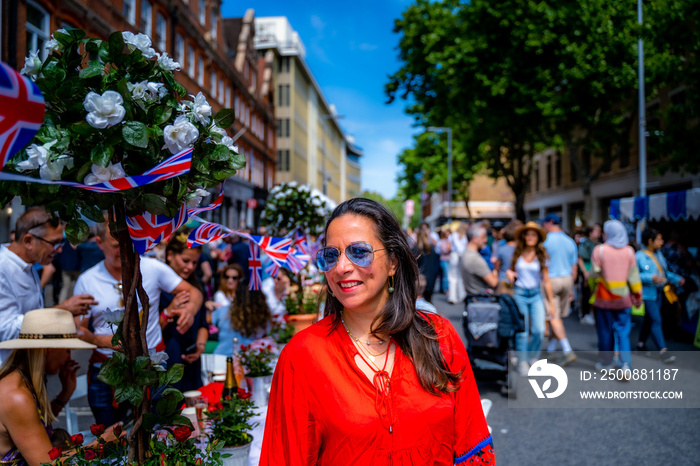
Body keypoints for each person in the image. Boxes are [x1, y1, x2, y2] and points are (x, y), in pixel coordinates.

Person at [261, 198, 493, 465]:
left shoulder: (438, 335)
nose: (342, 267)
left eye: (359, 252)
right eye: (331, 255)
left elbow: (472, 443)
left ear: (393, 261)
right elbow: (285, 456)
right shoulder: (303, 354)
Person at [73, 221, 202, 425]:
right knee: (109, 440)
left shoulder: (152, 269)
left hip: (152, 365)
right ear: (99, 242)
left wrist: (189, 310)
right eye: (116, 245)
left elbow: (193, 292)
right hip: (107, 370)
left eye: (129, 243)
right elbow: (79, 330)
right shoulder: (87, 281)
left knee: (158, 434)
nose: (124, 250)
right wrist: (102, 341)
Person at [0, 208, 97, 365]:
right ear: (28, 241)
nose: (59, 250)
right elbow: (6, 331)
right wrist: (62, 310)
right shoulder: (2, 268)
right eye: (54, 243)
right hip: (9, 371)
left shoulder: (29, 264)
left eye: (62, 242)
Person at [0, 308, 96, 466]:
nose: (69, 357)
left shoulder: (22, 378)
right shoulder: (17, 396)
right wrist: (100, 444)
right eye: (67, 350)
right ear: (47, 349)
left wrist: (65, 394)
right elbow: (45, 463)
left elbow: (35, 426)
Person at [590, 220, 642, 375]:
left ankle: (606, 362)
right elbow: (634, 277)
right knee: (623, 332)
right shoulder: (629, 251)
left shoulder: (599, 250)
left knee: (604, 331)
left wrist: (593, 288)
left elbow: (593, 275)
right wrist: (638, 297)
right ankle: (625, 364)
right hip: (624, 300)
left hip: (603, 299)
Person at [159, 235, 209, 392]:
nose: (190, 267)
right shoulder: (157, 287)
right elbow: (148, 330)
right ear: (170, 255)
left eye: (194, 262)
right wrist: (169, 310)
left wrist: (200, 347)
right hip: (166, 363)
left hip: (192, 363)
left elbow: (203, 323)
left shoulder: (195, 286)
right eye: (185, 261)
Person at [506, 222, 555, 375]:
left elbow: (546, 279)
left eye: (533, 234)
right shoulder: (517, 252)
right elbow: (510, 272)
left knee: (539, 330)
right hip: (519, 293)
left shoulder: (542, 254)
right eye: (528, 234)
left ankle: (532, 356)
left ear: (538, 237)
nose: (530, 237)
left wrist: (551, 303)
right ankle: (522, 361)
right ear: (523, 236)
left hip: (536, 294)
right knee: (522, 330)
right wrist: (509, 274)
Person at [635, 228, 684, 363]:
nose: (662, 242)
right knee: (656, 319)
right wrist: (649, 277)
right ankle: (663, 351)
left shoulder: (659, 255)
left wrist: (677, 278)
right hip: (647, 294)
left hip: (658, 293)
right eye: (659, 239)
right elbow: (632, 275)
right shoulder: (639, 256)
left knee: (649, 319)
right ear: (650, 241)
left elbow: (665, 273)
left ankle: (640, 344)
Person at [542, 213, 578, 366]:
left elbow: (542, 266)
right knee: (558, 316)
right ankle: (551, 348)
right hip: (567, 279)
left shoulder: (545, 241)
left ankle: (566, 349)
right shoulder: (570, 241)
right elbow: (574, 267)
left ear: (550, 223)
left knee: (553, 316)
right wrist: (571, 287)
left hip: (551, 280)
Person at [213, 286, 273, 355]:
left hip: (222, 358)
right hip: (250, 360)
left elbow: (205, 323)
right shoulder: (263, 317)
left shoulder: (225, 312)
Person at [461, 225, 499, 295]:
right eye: (483, 237)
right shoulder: (474, 259)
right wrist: (496, 270)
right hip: (480, 298)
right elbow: (493, 282)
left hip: (472, 296)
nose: (485, 240)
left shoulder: (465, 253)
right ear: (475, 239)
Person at [577, 224, 602, 325]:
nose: (599, 233)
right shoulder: (586, 244)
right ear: (590, 232)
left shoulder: (600, 244)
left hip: (598, 273)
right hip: (588, 272)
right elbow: (580, 259)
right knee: (587, 293)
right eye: (596, 231)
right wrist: (585, 272)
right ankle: (585, 314)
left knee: (596, 294)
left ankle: (593, 314)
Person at [493, 220, 521, 295]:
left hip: (503, 280)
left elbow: (496, 268)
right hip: (516, 281)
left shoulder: (501, 248)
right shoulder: (520, 250)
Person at [412, 229, 440, 303]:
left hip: (420, 278)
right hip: (431, 276)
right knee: (428, 300)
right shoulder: (432, 249)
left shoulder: (416, 249)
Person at [447, 223, 468, 304]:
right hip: (461, 255)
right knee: (460, 276)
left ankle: (453, 297)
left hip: (455, 255)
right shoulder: (464, 236)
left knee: (452, 277)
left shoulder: (454, 235)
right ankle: (461, 295)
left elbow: (454, 245)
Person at [438, 229, 452, 294]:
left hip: (449, 260)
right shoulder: (442, 241)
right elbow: (445, 250)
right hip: (444, 260)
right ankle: (446, 289)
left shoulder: (450, 241)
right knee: (446, 276)